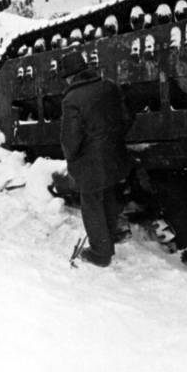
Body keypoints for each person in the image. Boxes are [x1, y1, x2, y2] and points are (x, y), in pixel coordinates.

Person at [59, 50, 134, 267]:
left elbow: (70, 138)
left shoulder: (71, 99)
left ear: (70, 76)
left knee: (91, 203)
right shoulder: (109, 86)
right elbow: (127, 117)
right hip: (114, 153)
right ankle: (109, 237)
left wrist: (72, 157)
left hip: (89, 160)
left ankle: (101, 253)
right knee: (109, 194)